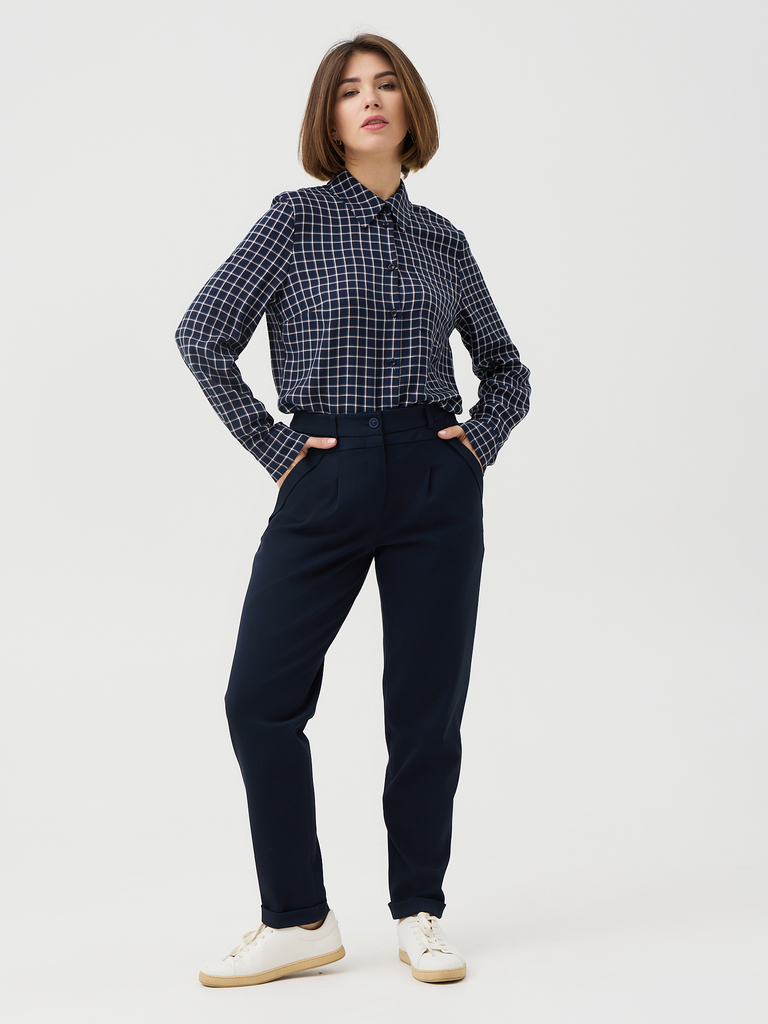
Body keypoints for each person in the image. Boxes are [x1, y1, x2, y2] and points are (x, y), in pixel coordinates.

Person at [175, 32, 530, 988]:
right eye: (347, 91)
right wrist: (275, 448)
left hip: (433, 480)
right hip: (323, 475)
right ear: (328, 119)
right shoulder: (294, 221)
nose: (368, 100)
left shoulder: (443, 239)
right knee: (259, 701)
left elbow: (507, 369)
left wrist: (476, 444)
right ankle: (298, 918)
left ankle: (420, 911)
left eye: (385, 86)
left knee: (425, 710)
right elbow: (202, 334)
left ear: (410, 109)